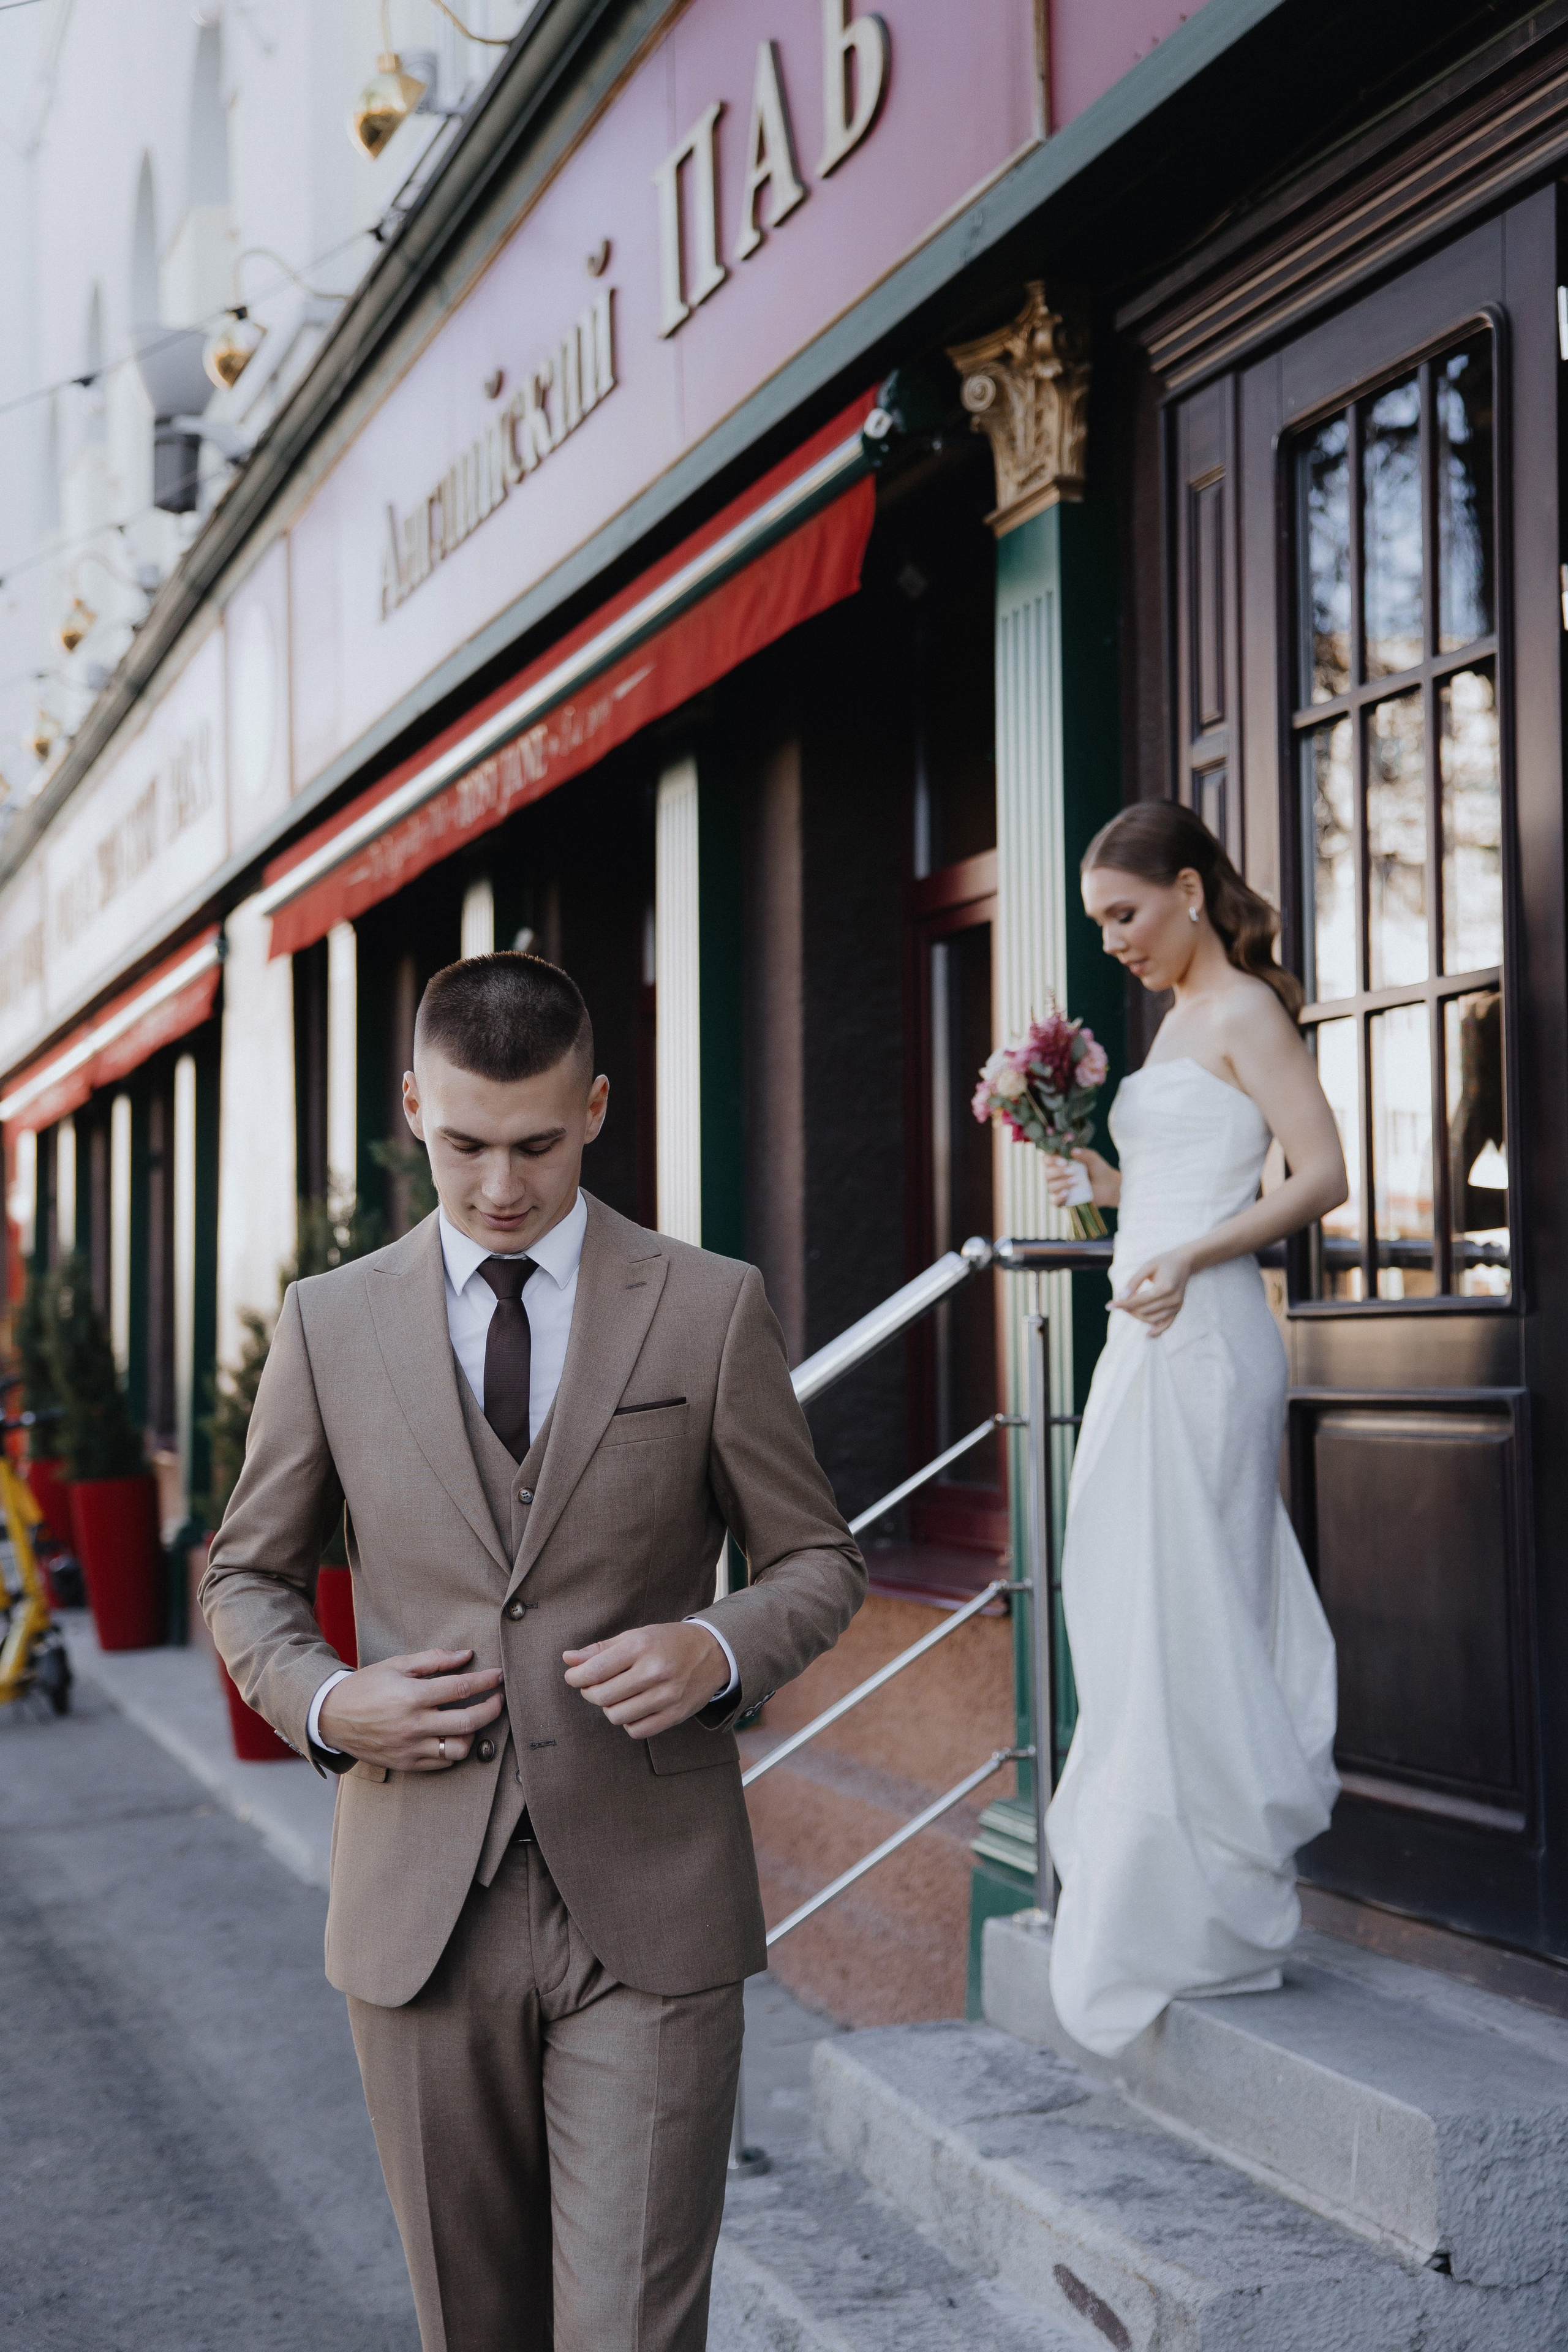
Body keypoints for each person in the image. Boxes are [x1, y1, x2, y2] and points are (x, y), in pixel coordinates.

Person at [201, 952, 864, 2352]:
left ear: (598, 1108)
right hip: (417, 1914)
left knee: (626, 2331)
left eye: (537, 1145)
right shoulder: (329, 1324)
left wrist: (716, 1644)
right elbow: (245, 1575)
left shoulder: (707, 1304)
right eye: (462, 1144)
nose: (500, 1185)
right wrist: (327, 1700)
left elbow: (816, 1560)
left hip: (650, 1904)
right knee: (473, 2328)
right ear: (410, 1110)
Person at [1041, 802, 1346, 2060]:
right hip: (1144, 1332)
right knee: (1125, 1596)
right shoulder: (1171, 1026)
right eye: (1097, 923)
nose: (1110, 940)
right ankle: (1158, 1890)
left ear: (1183, 886)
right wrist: (1106, 1192)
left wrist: (1183, 1250)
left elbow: (1319, 1174)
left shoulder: (1243, 1012)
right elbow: (1186, 1181)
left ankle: (1220, 1909)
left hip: (1211, 1339)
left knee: (1200, 1597)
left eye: (1122, 913)